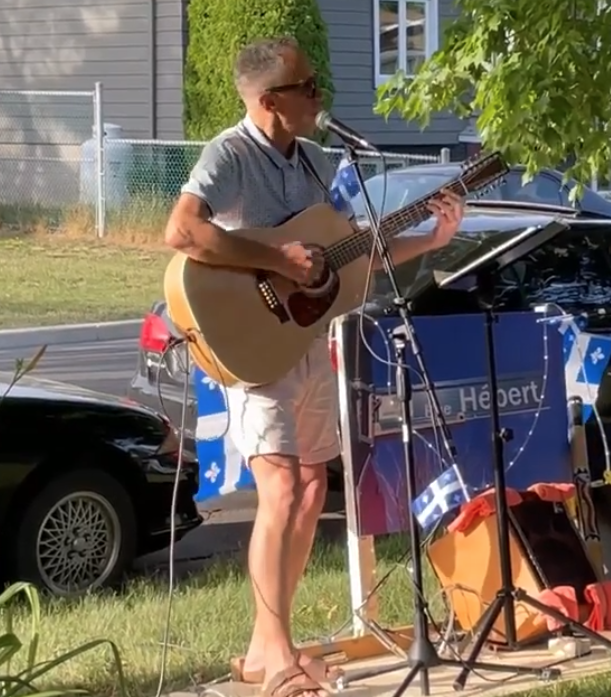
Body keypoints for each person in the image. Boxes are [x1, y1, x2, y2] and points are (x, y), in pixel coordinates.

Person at [164, 37, 465, 697]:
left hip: (306, 342)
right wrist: (278, 262)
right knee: (277, 493)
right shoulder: (229, 154)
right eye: (307, 86)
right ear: (270, 102)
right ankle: (276, 654)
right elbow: (182, 232)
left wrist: (431, 237)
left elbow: (349, 249)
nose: (319, 94)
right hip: (252, 346)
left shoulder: (318, 161)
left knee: (306, 491)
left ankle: (266, 643)